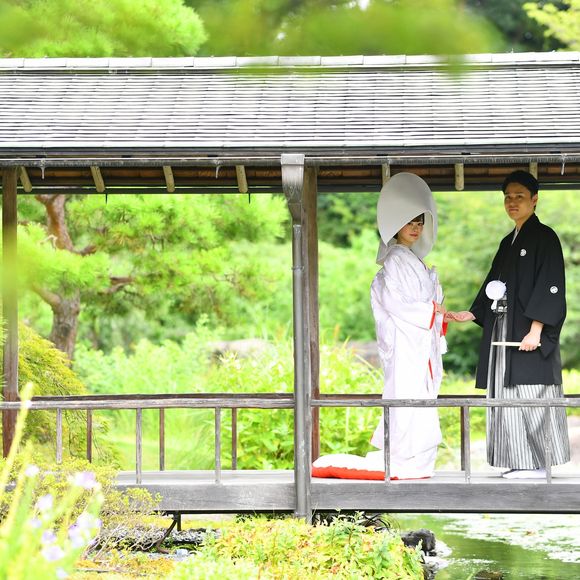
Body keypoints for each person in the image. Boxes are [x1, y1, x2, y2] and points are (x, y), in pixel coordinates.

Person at [447, 170, 570, 479]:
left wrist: (536, 330)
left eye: (519, 196)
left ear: (534, 200)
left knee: (532, 395)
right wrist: (473, 313)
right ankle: (519, 461)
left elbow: (551, 286)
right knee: (505, 394)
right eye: (508, 197)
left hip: (528, 333)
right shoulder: (508, 241)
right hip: (503, 329)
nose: (512, 202)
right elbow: (494, 283)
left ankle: (539, 464)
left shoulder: (545, 237)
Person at [368, 172, 447, 479]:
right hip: (405, 343)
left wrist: (438, 313)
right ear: (396, 225)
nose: (415, 228)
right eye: (409, 222)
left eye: (419, 222)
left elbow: (428, 303)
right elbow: (395, 303)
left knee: (422, 397)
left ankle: (418, 460)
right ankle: (402, 459)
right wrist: (432, 311)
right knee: (405, 395)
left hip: (420, 342)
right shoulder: (394, 262)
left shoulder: (415, 261)